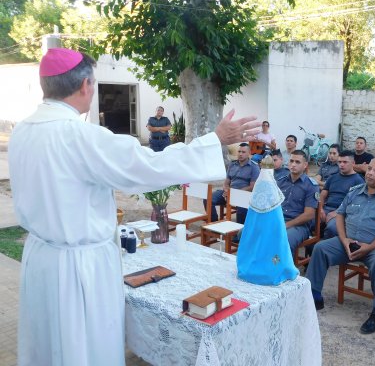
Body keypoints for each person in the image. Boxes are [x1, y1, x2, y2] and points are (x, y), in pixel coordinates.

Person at [8, 48, 261, 366]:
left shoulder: (22, 131)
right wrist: (213, 140)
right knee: (80, 349)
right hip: (79, 269)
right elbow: (148, 167)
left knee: (47, 345)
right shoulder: (80, 136)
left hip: (41, 260)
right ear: (86, 85)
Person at [306, 158, 375, 334]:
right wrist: (343, 239)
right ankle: (315, 296)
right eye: (369, 169)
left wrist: (370, 247)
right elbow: (340, 215)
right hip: (349, 242)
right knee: (320, 248)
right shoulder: (354, 191)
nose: (370, 173)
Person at [277, 150, 319, 252]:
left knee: (284, 241)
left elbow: (309, 215)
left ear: (305, 165)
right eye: (291, 161)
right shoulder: (280, 181)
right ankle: (256, 264)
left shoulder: (311, 186)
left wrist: (286, 225)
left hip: (298, 226)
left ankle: (281, 267)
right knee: (248, 232)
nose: (293, 165)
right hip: (278, 220)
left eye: (297, 162)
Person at [207, 143, 259, 224]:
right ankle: (214, 223)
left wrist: (234, 193)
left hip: (243, 194)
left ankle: (238, 233)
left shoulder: (254, 167)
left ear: (249, 153)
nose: (240, 154)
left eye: (243, 152)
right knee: (208, 198)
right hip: (229, 192)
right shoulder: (232, 164)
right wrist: (226, 190)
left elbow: (252, 186)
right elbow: (226, 182)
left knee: (242, 209)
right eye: (239, 151)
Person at [319, 150, 364, 238]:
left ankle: (325, 249)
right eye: (339, 162)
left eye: (345, 162)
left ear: (353, 163)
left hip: (343, 213)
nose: (341, 165)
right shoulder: (332, 177)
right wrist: (320, 209)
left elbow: (355, 204)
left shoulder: (359, 181)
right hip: (326, 209)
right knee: (309, 222)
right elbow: (323, 195)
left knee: (332, 228)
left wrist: (336, 213)